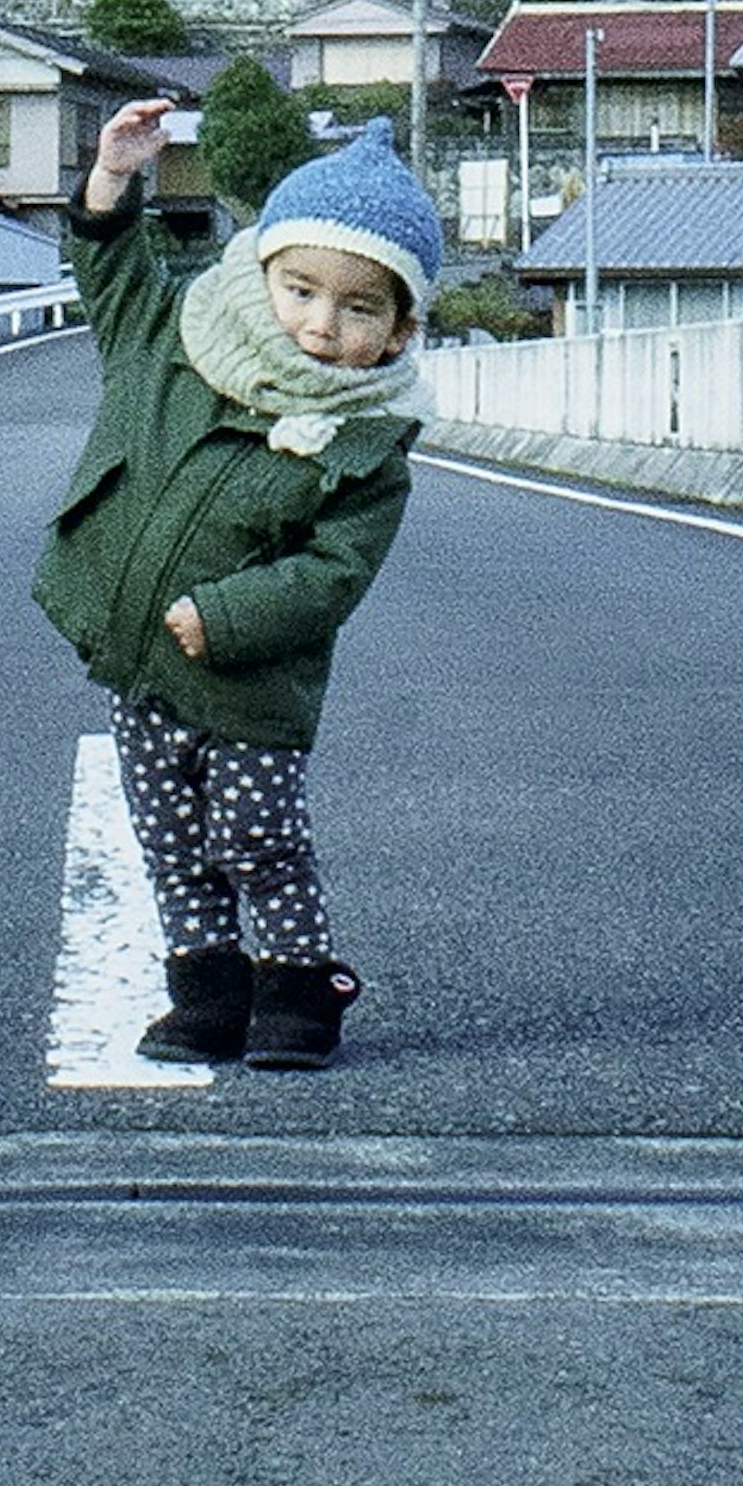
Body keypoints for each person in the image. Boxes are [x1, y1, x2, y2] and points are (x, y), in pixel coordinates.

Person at [34, 97, 438, 1067]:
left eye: (358, 308)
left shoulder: (369, 445)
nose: (319, 325)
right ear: (261, 274)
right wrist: (115, 176)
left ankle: (300, 992)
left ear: (397, 331)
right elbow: (110, 266)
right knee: (169, 839)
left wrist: (222, 615)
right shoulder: (171, 344)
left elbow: (333, 574)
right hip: (137, 662)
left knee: (258, 836)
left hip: (252, 682)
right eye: (300, 291)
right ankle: (206, 994)